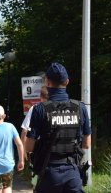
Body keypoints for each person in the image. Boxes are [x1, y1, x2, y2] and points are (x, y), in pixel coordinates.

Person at [25, 62, 92, 193]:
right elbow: (87, 144)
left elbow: (29, 147)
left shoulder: (39, 109)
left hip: (49, 172)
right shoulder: (80, 107)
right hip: (73, 173)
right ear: (67, 82)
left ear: (47, 82)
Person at [20, 86, 48, 160]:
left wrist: (23, 150)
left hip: (40, 151)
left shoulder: (36, 108)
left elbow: (25, 131)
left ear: (40, 96)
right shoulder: (62, 107)